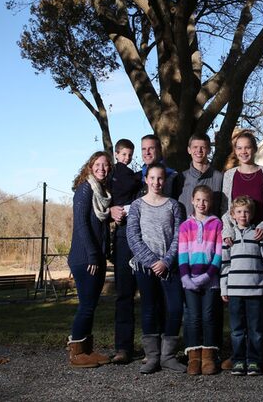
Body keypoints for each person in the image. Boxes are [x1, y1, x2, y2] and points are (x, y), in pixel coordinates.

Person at [220, 129, 263, 372]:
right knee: (238, 311)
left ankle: (260, 356)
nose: (243, 151)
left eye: (247, 147)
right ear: (235, 152)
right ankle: (238, 355)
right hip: (237, 246)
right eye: (239, 148)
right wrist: (228, 231)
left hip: (261, 242)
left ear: (255, 149)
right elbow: (226, 210)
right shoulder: (229, 175)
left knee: (261, 305)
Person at [126, 162, 186, 373]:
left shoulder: (174, 205)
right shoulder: (137, 206)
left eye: (160, 178)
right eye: (152, 178)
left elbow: (179, 237)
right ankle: (152, 356)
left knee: (175, 308)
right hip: (145, 267)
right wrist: (152, 262)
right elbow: (133, 237)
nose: (156, 182)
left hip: (170, 267)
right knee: (149, 310)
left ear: (165, 180)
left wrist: (166, 261)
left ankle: (168, 356)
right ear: (146, 180)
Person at [66, 151, 114, 367]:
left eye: (105, 165)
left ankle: (87, 350)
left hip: (97, 257)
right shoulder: (85, 189)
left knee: (91, 305)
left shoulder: (102, 192)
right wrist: (93, 256)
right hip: (85, 258)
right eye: (98, 164)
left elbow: (101, 228)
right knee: (86, 305)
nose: (102, 168)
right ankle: (76, 353)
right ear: (90, 166)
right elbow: (82, 225)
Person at [220, 195, 263, 376]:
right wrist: (223, 288)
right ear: (233, 214)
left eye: (246, 212)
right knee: (236, 329)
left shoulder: (259, 235)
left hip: (255, 290)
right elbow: (224, 265)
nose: (243, 215)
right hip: (235, 291)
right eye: (239, 212)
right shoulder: (229, 237)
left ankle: (254, 361)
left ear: (252, 214)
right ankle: (238, 360)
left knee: (255, 329)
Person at [178, 185, 224, 375]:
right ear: (192, 201)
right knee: (193, 318)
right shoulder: (185, 226)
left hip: (210, 281)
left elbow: (219, 254)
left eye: (205, 200)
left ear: (210, 202)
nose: (201, 204)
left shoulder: (217, 224)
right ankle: (194, 357)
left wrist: (208, 275)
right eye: (198, 200)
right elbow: (182, 255)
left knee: (208, 317)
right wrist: (185, 277)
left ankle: (208, 357)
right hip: (189, 281)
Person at [108, 138, 141, 364]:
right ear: (117, 154)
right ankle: (123, 346)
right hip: (122, 235)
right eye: (123, 154)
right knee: (124, 294)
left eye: (130, 154)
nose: (127, 158)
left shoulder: (141, 176)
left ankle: (155, 346)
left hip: (147, 236)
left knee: (151, 294)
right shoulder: (116, 175)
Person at [176, 133, 223, 217]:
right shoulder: (180, 178)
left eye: (203, 147)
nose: (199, 150)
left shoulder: (219, 178)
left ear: (209, 150)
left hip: (212, 228)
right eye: (195, 147)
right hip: (185, 228)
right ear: (189, 150)